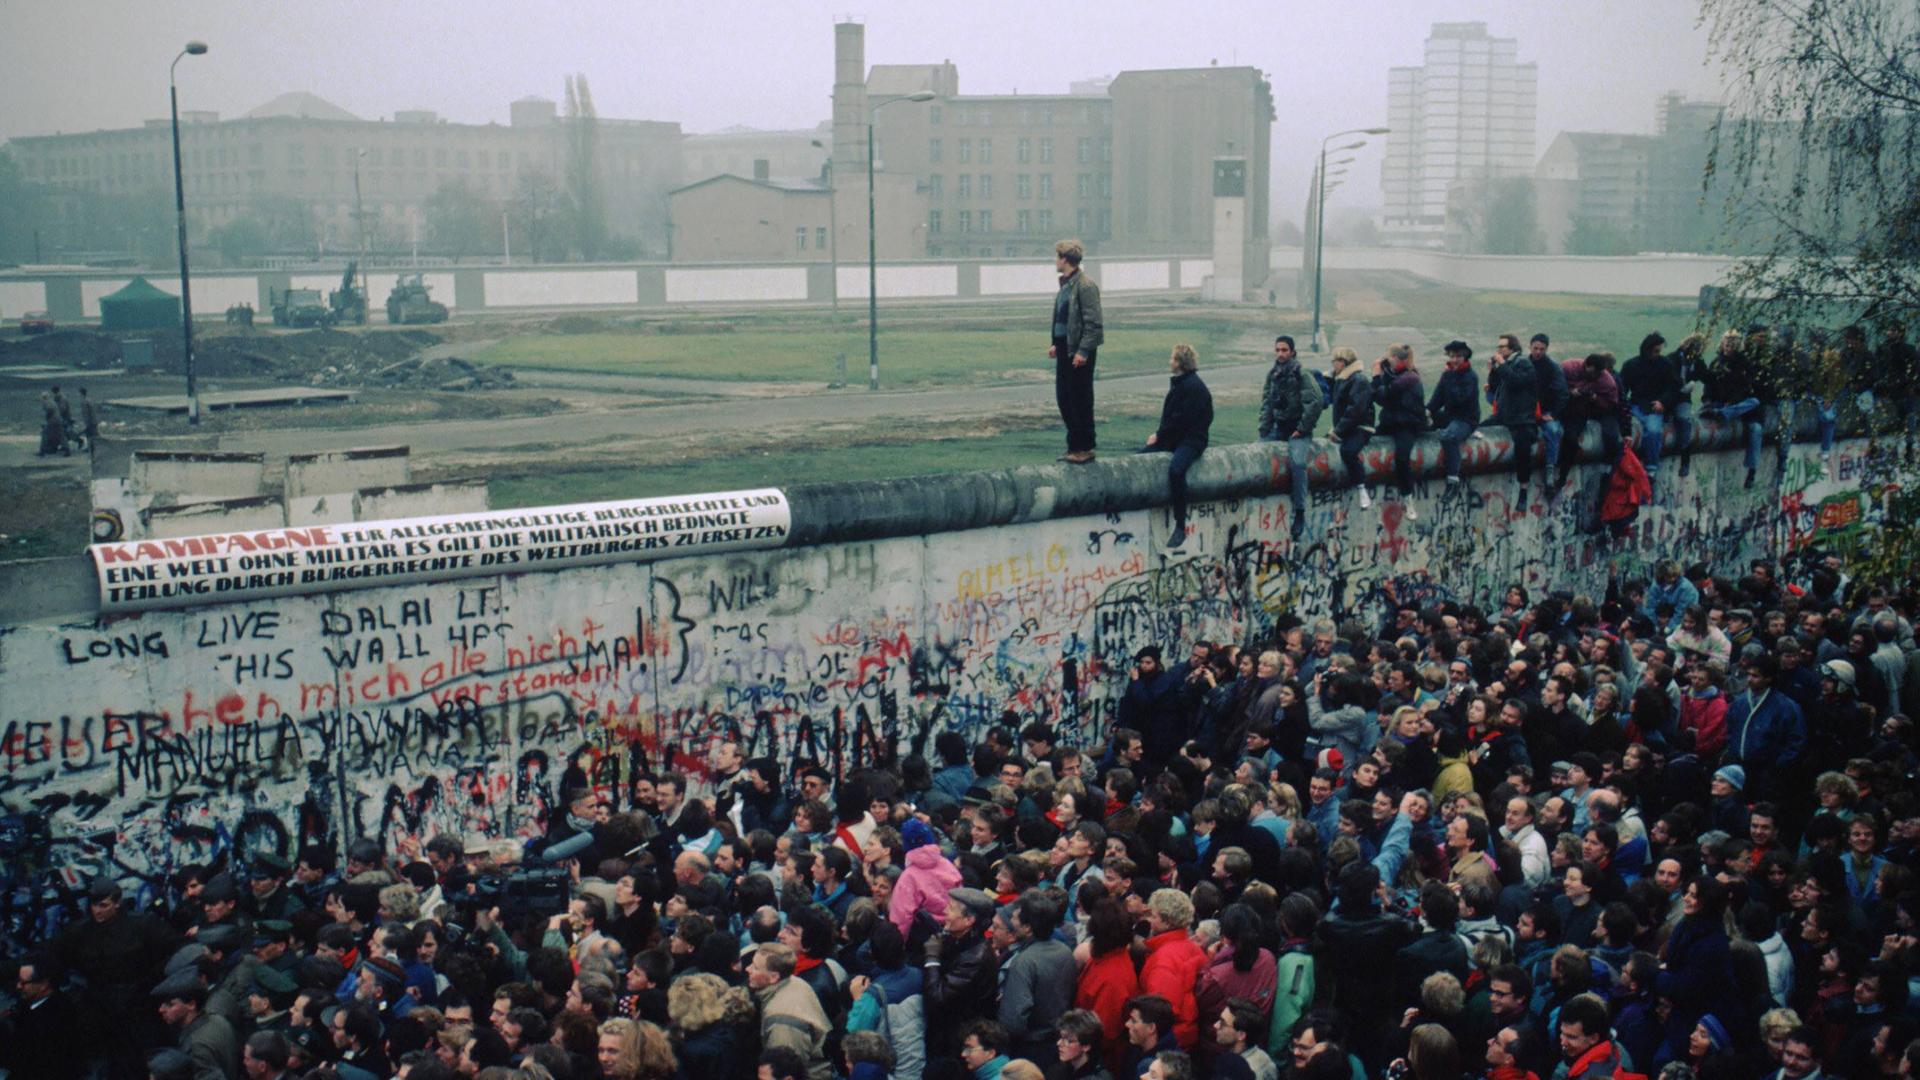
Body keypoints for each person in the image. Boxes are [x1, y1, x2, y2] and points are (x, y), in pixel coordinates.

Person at [1143, 343, 1213, 547]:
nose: (1170, 362)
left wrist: (1159, 435)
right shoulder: (1183, 383)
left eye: (1173, 359)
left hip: (1192, 440)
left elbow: (1181, 420)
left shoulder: (1192, 386)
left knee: (1176, 470)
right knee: (1143, 455)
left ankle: (1180, 525)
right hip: (1177, 438)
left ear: (1181, 363)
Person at [1258, 334, 1325, 540]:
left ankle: (1300, 512)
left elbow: (1315, 401)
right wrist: (1264, 429)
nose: (1280, 354)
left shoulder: (1302, 374)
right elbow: (1267, 402)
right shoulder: (1273, 374)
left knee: (1297, 463)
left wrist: (1303, 428)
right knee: (1259, 454)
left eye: (1284, 350)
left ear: (1292, 352)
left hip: (1296, 430)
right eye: (1277, 350)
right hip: (1278, 427)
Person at [1051, 239, 1104, 464]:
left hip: (1079, 352)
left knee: (1080, 399)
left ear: (1065, 259)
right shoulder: (1066, 284)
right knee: (1065, 399)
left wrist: (1082, 351)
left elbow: (1093, 324)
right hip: (1065, 348)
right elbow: (1064, 318)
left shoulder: (1085, 285)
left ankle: (1084, 448)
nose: (1055, 261)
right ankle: (1074, 447)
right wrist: (1056, 342)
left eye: (1057, 256)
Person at [1373, 343, 1427, 519]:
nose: (1388, 361)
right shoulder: (1396, 375)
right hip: (1392, 422)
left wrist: (1376, 375)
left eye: (1390, 358)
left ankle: (1408, 498)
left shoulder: (1409, 378)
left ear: (1398, 359)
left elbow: (1383, 396)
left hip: (1407, 424)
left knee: (1402, 458)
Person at [1488, 333, 1542, 493]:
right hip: (1504, 415)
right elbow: (1494, 386)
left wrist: (1502, 365)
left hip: (1522, 418)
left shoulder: (1523, 363)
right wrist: (1492, 371)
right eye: (1498, 347)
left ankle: (1523, 487)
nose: (1499, 350)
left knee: (1523, 448)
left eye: (1502, 347)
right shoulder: (1507, 364)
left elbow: (1515, 381)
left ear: (1512, 348)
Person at [1326, 346, 1377, 508]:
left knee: (1348, 451)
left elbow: (1356, 411)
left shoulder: (1359, 380)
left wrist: (1338, 431)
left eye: (1335, 361)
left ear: (1343, 362)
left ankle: (1362, 489)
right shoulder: (1342, 379)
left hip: (1362, 427)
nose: (1333, 364)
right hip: (1348, 426)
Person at [1430, 340, 1483, 487]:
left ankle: (1453, 478)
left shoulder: (1470, 377)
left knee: (1449, 437)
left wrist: (1451, 377)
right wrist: (1427, 412)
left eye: (1458, 356)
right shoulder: (1447, 375)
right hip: (1449, 417)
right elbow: (1437, 399)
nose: (1454, 360)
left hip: (1465, 419)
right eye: (1451, 356)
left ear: (1465, 357)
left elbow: (1459, 399)